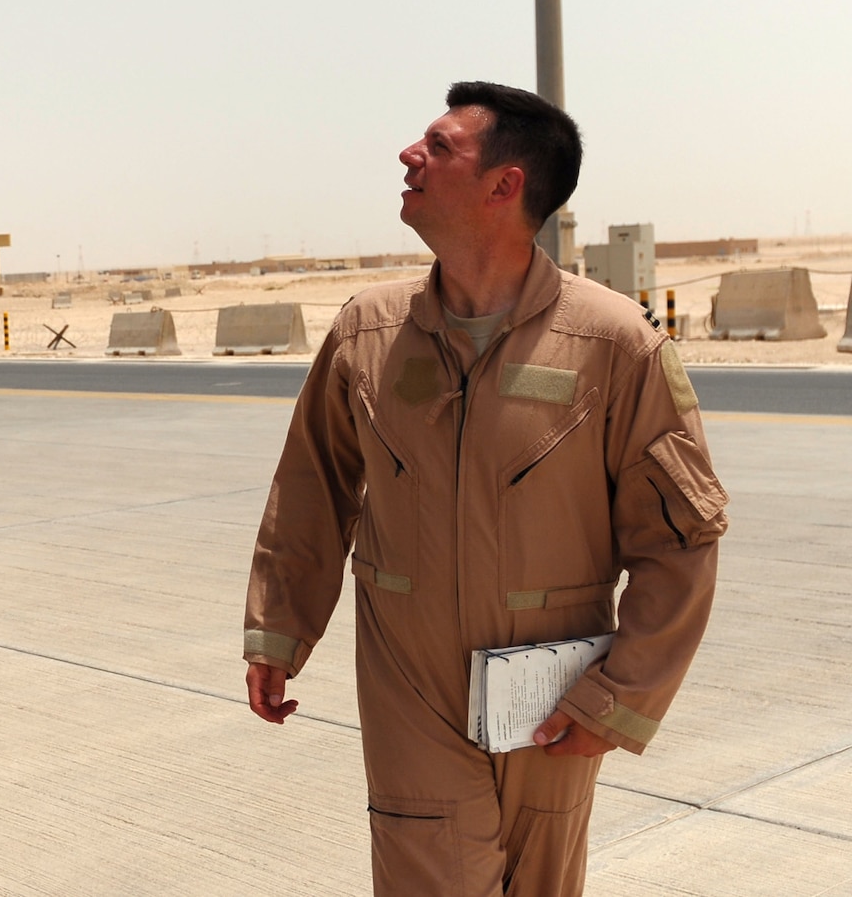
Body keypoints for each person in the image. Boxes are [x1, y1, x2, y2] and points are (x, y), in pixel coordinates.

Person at [241, 82, 727, 897]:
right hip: (411, 684)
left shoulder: (616, 343)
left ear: (505, 185)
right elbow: (312, 485)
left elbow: (679, 536)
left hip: (553, 692)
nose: (409, 155)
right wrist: (278, 629)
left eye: (438, 146)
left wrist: (622, 694)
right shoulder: (366, 329)